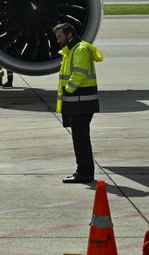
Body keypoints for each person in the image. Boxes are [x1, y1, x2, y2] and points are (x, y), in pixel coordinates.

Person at [55, 22, 104, 184]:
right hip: (77, 103)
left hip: (81, 102)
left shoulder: (80, 50)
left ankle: (84, 173)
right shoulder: (71, 50)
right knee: (80, 139)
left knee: (81, 139)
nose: (58, 40)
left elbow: (79, 73)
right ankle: (84, 171)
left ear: (69, 34)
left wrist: (69, 89)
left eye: (60, 36)